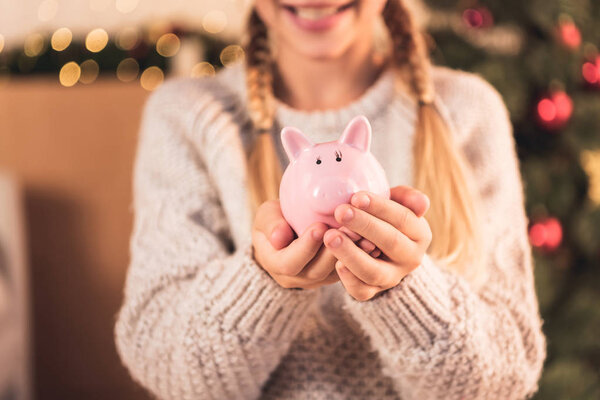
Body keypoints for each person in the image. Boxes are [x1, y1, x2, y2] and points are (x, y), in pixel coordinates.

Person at [114, 0, 547, 399]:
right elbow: (164, 361)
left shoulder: (467, 111)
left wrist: (404, 291)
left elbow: (504, 378)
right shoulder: (187, 116)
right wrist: (262, 282)